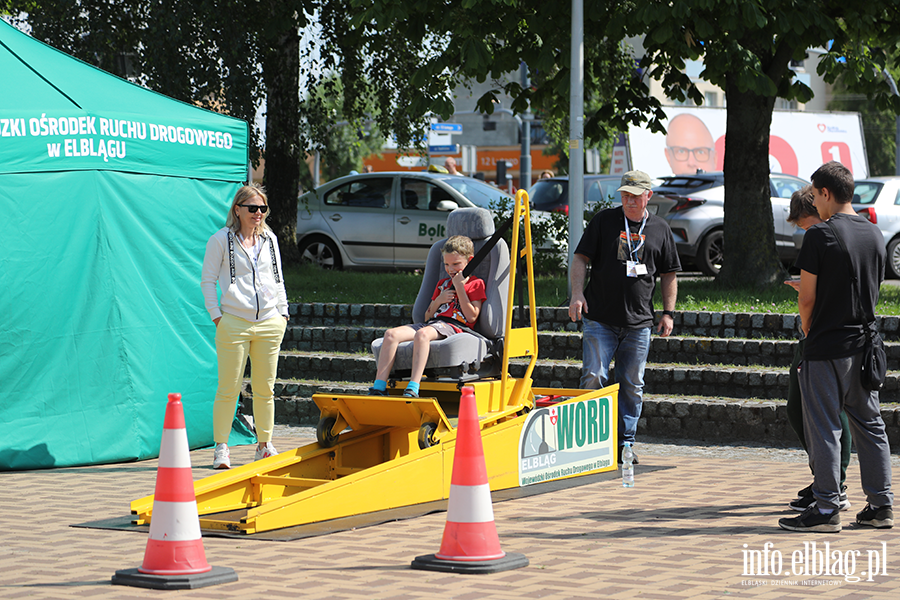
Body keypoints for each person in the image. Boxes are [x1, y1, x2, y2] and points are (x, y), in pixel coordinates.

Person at [778, 161, 893, 533]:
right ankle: (881, 505)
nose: (814, 202)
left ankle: (827, 509)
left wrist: (807, 329)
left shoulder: (819, 236)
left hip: (828, 346)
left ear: (826, 193)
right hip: (866, 345)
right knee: (870, 424)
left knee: (825, 427)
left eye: (814, 195)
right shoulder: (875, 233)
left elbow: (807, 299)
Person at [568, 170, 681, 464]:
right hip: (600, 317)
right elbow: (580, 258)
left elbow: (669, 273)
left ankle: (625, 443)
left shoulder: (660, 228)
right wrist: (577, 294)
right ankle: (589, 441)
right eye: (624, 195)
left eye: (635, 195)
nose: (629, 200)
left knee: (632, 384)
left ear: (648, 196)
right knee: (593, 376)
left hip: (639, 323)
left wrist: (668, 313)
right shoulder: (605, 221)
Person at [201, 183, 289, 469]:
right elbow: (207, 281)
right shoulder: (219, 240)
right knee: (229, 388)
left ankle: (264, 444)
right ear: (237, 210)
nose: (258, 213)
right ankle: (221, 448)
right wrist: (217, 316)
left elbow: (277, 279)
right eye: (252, 208)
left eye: (263, 208)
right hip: (233, 323)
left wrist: (283, 314)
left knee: (266, 389)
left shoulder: (270, 239)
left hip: (269, 323)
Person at [783, 186, 853, 512]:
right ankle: (824, 479)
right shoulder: (821, 238)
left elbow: (818, 295)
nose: (802, 231)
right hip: (816, 338)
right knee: (801, 411)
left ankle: (834, 485)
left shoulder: (828, 236)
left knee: (829, 416)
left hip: (825, 339)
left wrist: (807, 320)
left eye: (803, 224)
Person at [369, 235, 486, 398]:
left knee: (422, 334)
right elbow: (426, 316)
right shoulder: (442, 284)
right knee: (390, 334)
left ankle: (413, 387)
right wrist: (439, 299)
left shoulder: (476, 283)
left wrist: (460, 287)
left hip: (455, 327)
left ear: (470, 261)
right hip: (433, 324)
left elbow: (472, 317)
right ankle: (379, 387)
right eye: (446, 264)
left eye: (456, 264)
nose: (450, 269)